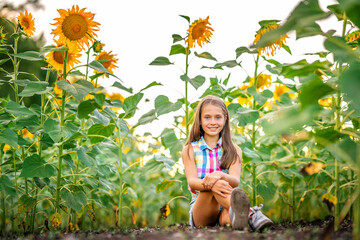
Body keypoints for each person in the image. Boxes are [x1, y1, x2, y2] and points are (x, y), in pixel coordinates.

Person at [181, 95, 272, 231]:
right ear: (199, 120)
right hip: (202, 209)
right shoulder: (189, 149)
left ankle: (244, 218)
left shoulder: (234, 150)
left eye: (218, 117)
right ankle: (252, 214)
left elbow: (235, 181)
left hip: (227, 205)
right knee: (214, 185)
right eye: (207, 117)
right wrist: (213, 181)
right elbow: (192, 182)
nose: (213, 122)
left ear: (225, 120)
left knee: (231, 219)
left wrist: (219, 174)